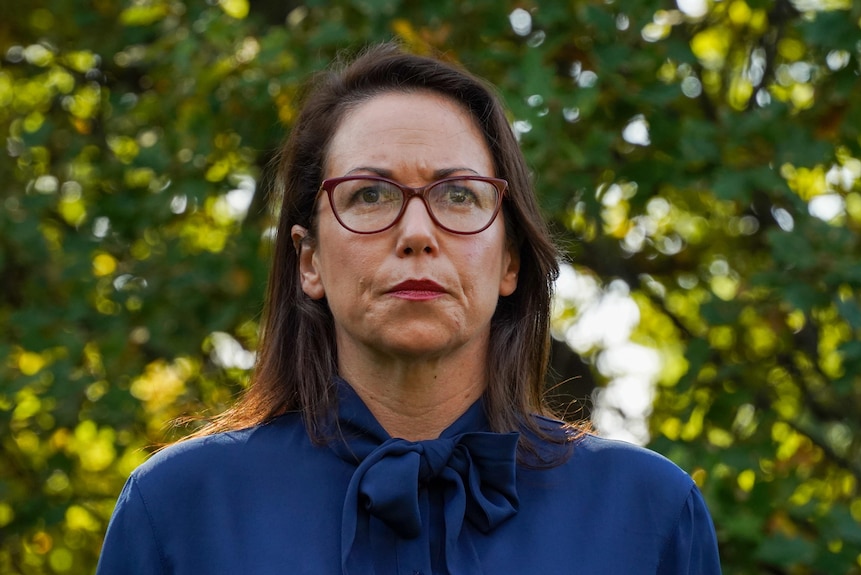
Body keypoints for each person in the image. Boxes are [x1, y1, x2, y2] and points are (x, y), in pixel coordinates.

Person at [96, 43, 722, 574]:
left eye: (458, 194)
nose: (417, 232)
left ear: (509, 261)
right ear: (308, 260)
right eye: (369, 194)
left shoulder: (650, 513)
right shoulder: (177, 509)